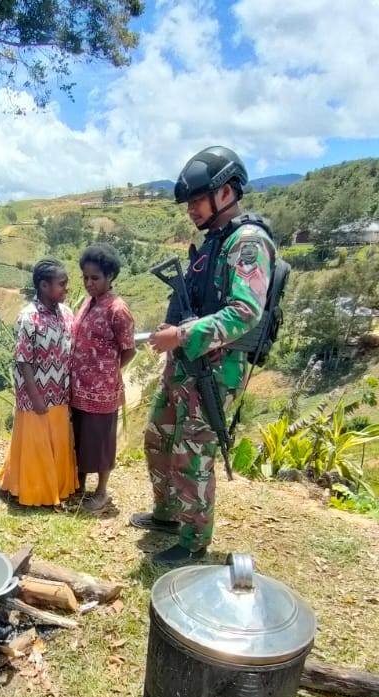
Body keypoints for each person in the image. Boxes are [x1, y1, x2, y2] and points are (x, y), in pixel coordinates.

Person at [133, 145, 276, 565]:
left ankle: (194, 541)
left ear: (226, 193)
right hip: (186, 363)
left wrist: (181, 334)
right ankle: (168, 514)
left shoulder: (247, 244)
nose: (191, 209)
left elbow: (245, 312)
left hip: (216, 368)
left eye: (197, 200)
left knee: (192, 455)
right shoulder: (215, 242)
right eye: (190, 202)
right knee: (157, 439)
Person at [0, 259, 78, 506]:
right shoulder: (28, 318)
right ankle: (35, 491)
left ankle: (58, 487)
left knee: (58, 442)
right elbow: (23, 361)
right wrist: (35, 397)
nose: (66, 288)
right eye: (61, 284)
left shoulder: (66, 312)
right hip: (37, 396)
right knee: (36, 444)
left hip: (60, 394)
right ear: (44, 286)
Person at [70, 244, 136, 512]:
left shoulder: (117, 310)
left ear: (110, 277)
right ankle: (79, 486)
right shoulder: (88, 302)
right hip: (78, 388)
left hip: (102, 391)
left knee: (101, 441)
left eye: (95, 278)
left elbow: (129, 349)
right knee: (81, 438)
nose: (88, 283)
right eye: (85, 277)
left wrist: (108, 371)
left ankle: (101, 492)